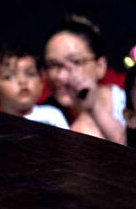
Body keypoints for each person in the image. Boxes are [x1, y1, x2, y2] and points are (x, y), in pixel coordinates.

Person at [43, 14, 126, 143]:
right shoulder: (41, 115)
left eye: (75, 62)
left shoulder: (128, 105)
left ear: (100, 66)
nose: (61, 76)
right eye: (53, 65)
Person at [0, 43, 68, 129]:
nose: (23, 81)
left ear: (41, 83)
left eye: (30, 74)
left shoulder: (52, 116)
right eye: (9, 77)